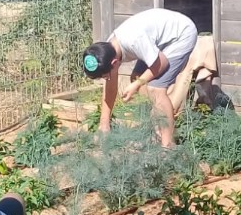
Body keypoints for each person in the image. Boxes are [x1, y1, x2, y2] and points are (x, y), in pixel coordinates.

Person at [82, 8, 200, 148]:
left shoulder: (133, 41)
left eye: (105, 75)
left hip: (181, 35)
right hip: (157, 39)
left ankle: (168, 145)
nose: (107, 78)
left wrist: (138, 84)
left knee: (156, 89)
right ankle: (156, 128)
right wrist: (104, 125)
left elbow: (161, 63)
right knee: (136, 77)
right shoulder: (107, 51)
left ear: (114, 64)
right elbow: (110, 88)